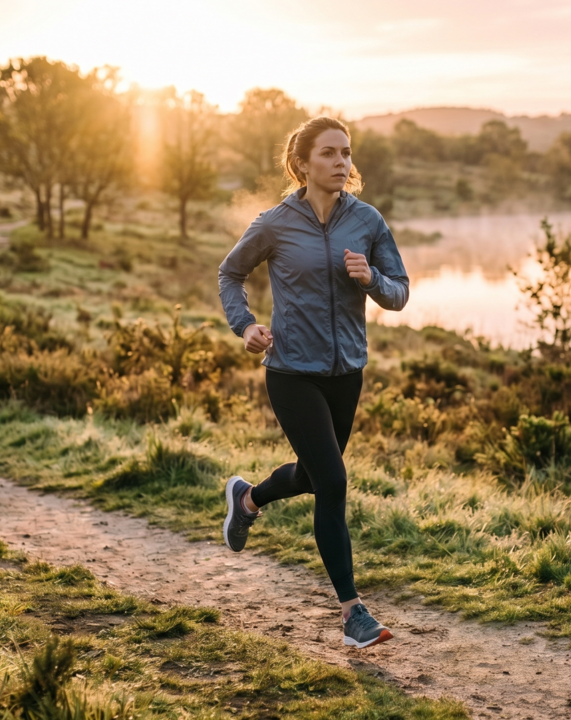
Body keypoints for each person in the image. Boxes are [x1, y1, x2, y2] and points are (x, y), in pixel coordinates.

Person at [217, 116, 409, 649]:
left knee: (312, 474)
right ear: (302, 163)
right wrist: (245, 325)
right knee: (333, 482)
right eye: (328, 153)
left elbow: (400, 292)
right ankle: (353, 614)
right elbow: (230, 274)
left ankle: (248, 498)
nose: (341, 162)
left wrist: (372, 279)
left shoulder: (367, 221)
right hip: (291, 372)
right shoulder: (275, 223)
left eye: (346, 152)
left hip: (347, 373)